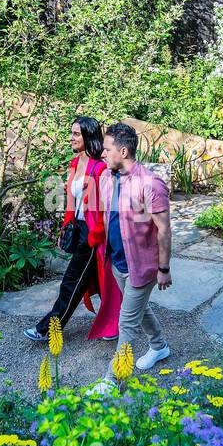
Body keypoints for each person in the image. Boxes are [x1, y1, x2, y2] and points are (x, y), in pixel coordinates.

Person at [24, 117, 121, 343]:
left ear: (88, 136)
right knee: (99, 280)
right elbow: (71, 201)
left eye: (76, 134)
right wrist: (66, 227)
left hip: (92, 234)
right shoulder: (75, 164)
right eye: (72, 133)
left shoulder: (100, 168)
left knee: (72, 281)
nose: (72, 138)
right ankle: (116, 322)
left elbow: (104, 208)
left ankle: (47, 329)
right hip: (78, 229)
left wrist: (94, 237)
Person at [98, 121, 173, 377]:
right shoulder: (108, 178)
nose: (102, 153)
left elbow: (164, 229)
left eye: (107, 149)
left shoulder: (151, 184)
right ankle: (159, 346)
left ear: (124, 152)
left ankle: (112, 381)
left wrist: (164, 268)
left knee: (126, 323)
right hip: (118, 262)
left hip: (142, 265)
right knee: (140, 309)